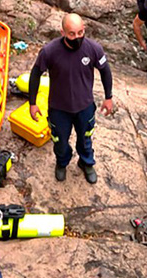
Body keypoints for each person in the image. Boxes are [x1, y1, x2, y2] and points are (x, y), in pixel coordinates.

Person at [29, 13, 114, 184]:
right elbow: (35, 74)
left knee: (85, 138)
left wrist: (108, 97)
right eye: (72, 34)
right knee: (59, 141)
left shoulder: (93, 48)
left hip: (84, 106)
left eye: (80, 33)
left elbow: (105, 71)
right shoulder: (49, 51)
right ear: (63, 32)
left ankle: (86, 163)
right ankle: (62, 163)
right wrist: (32, 103)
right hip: (59, 108)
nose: (77, 37)